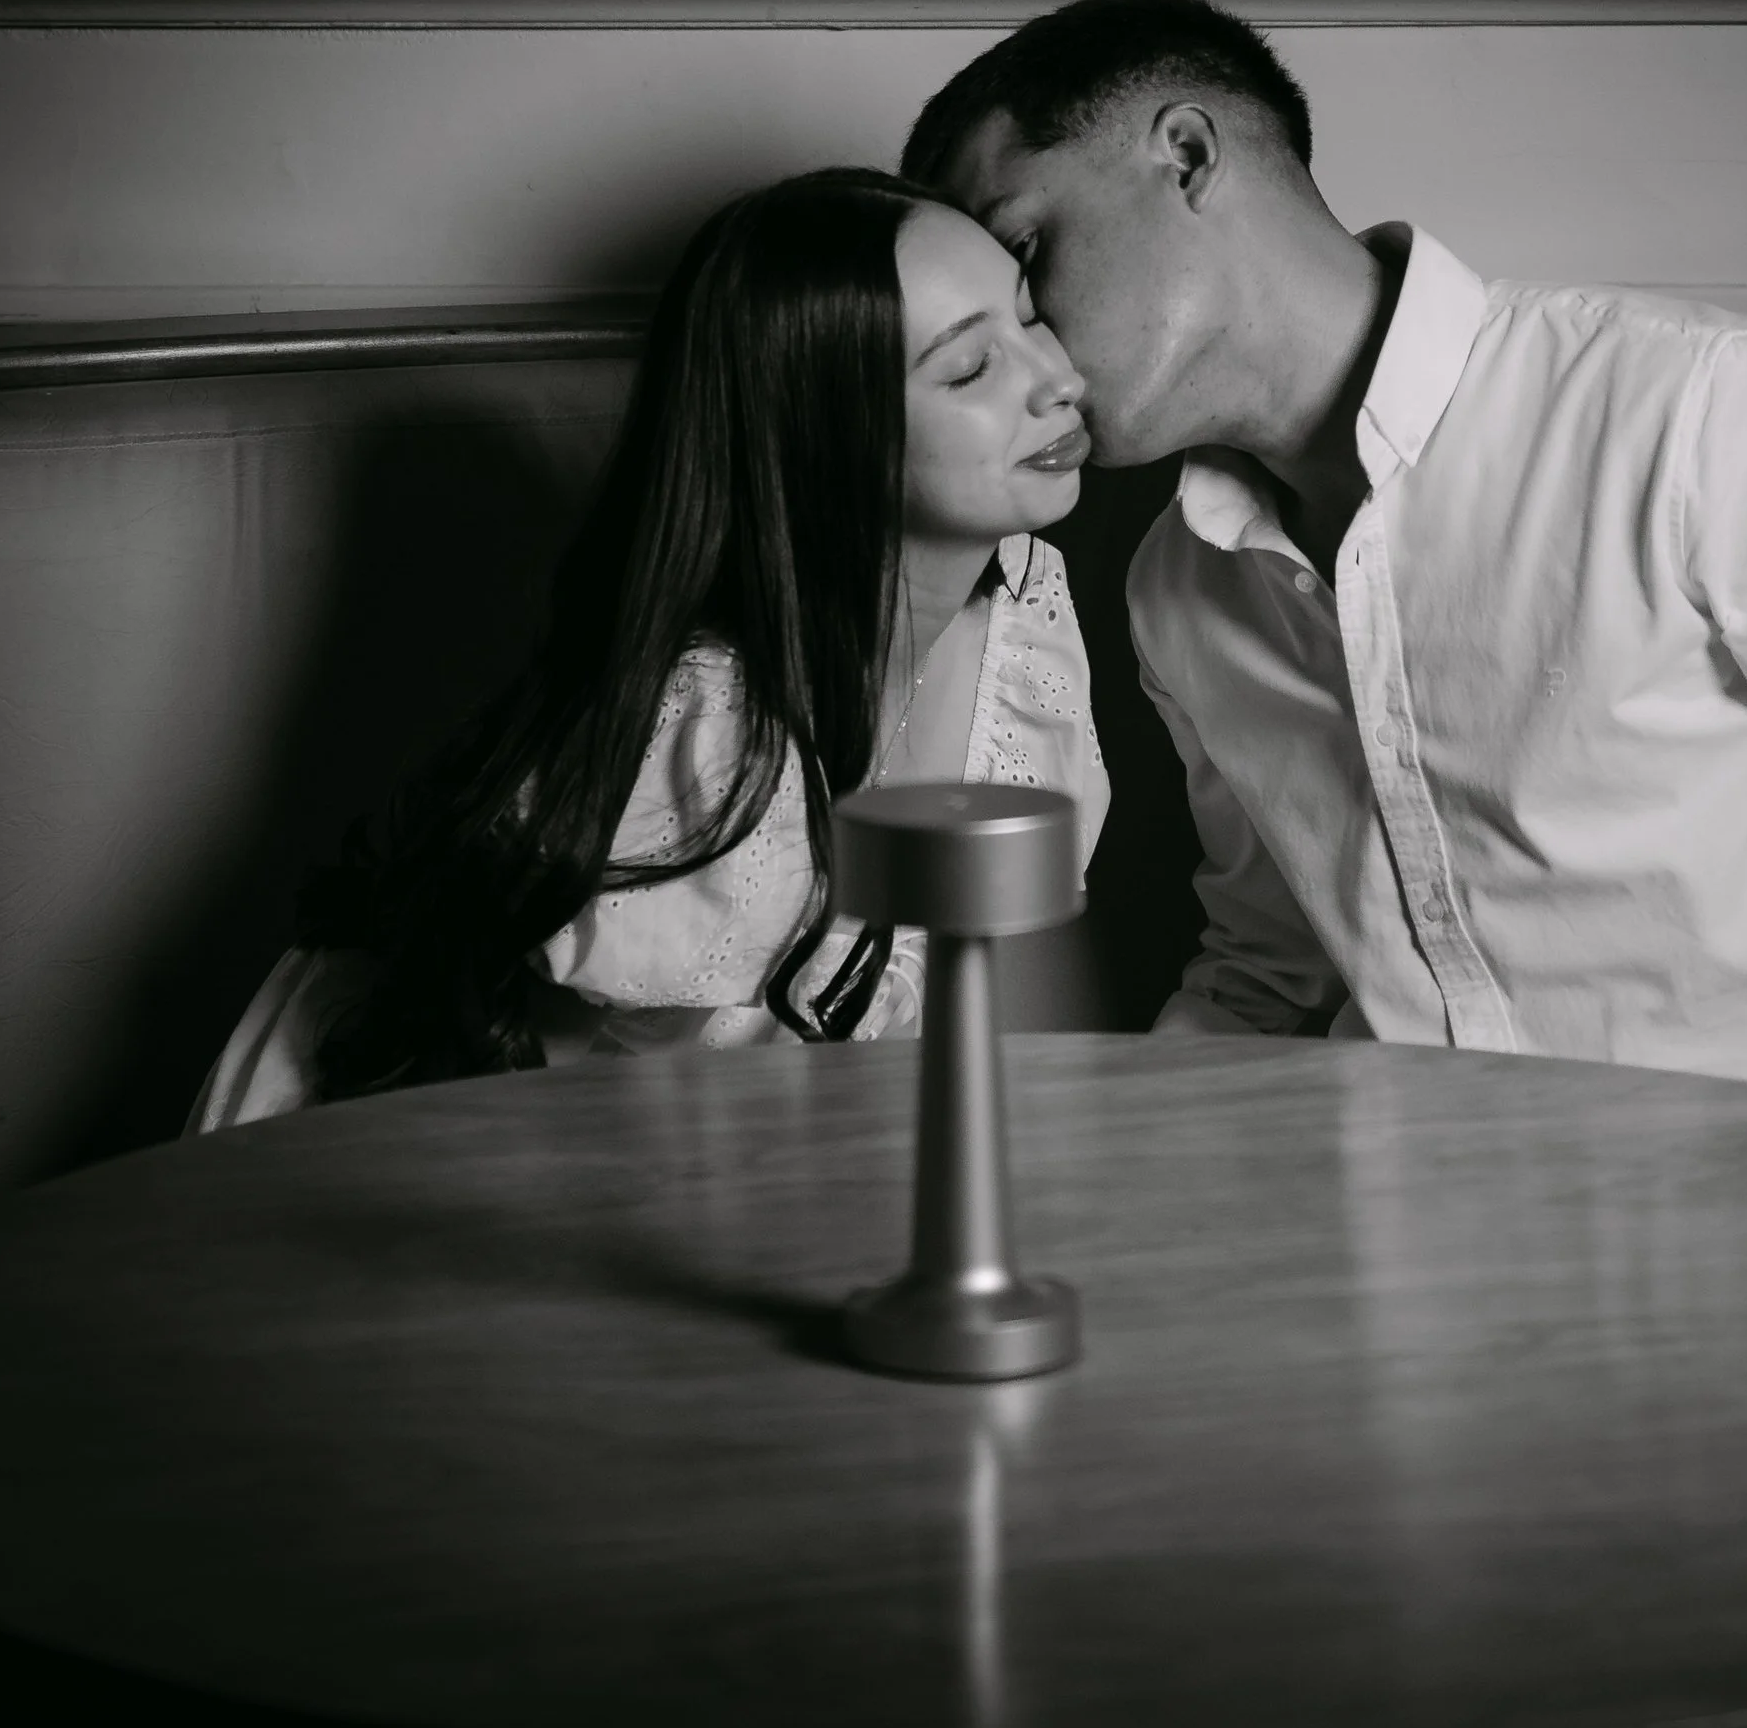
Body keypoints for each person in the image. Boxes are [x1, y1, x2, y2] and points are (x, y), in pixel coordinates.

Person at [903, 0, 1747, 1128]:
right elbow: (1267, 964)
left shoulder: (1687, 407)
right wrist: (1116, 1182)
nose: (1031, 362)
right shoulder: (1176, 588)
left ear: (1184, 156)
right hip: (1409, 1276)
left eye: (1023, 259)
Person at [193, 168, 1105, 1124]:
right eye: (970, 369)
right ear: (830, 436)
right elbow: (491, 1128)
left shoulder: (1023, 632)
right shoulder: (706, 746)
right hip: (409, 1159)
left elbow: (1000, 1046)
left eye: (1032, 316)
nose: (1060, 381)